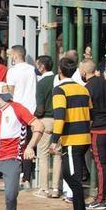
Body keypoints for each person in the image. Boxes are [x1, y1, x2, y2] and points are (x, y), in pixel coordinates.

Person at [50, 57, 93, 210]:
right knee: (72, 178)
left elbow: (59, 117)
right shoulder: (83, 89)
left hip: (72, 141)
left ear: (60, 71)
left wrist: (54, 139)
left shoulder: (59, 90)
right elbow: (90, 114)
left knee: (72, 180)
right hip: (83, 139)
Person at [81, 60, 106, 210]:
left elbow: (88, 112)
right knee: (105, 161)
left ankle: (101, 199)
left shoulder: (87, 88)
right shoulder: (105, 82)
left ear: (84, 72)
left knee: (101, 164)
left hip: (99, 128)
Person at [5, 45, 38, 189]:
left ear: (15, 55)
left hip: (17, 112)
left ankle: (17, 177)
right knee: (28, 145)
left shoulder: (12, 71)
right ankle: (26, 178)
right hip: (32, 111)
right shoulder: (33, 70)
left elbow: (10, 93)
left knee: (15, 145)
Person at [33, 55, 61, 199]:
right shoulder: (58, 80)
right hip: (59, 120)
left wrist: (32, 117)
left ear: (42, 67)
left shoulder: (42, 83)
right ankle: (56, 188)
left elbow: (40, 108)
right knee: (57, 155)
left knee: (43, 155)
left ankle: (44, 189)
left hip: (45, 120)